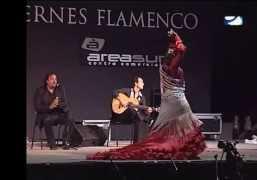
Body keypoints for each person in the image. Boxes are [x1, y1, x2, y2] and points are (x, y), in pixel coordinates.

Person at [87, 29, 206, 160]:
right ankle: (182, 151)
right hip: (178, 103)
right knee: (179, 131)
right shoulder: (173, 69)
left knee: (164, 134)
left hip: (170, 103)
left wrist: (173, 40)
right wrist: (177, 38)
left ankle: (176, 150)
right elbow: (182, 49)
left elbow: (176, 51)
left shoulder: (164, 68)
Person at [33, 72, 74, 150]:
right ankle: (52, 143)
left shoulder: (60, 89)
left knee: (70, 118)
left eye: (55, 79)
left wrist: (58, 104)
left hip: (57, 114)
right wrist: (50, 107)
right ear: (47, 81)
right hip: (45, 115)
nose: (54, 81)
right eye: (52, 79)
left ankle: (65, 141)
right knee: (47, 120)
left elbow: (65, 103)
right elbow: (37, 107)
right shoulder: (40, 91)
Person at [111, 76, 154, 143]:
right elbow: (114, 92)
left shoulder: (142, 98)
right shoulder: (127, 91)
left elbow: (143, 110)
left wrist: (147, 111)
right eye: (142, 82)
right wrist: (122, 101)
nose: (143, 84)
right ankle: (140, 141)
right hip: (121, 114)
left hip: (133, 117)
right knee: (137, 113)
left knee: (138, 113)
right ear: (136, 83)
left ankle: (138, 142)